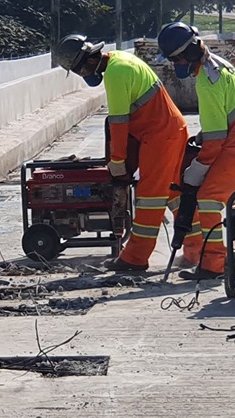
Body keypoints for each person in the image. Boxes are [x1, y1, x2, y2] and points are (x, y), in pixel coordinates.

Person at [53, 32, 188, 276]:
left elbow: (118, 123)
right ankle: (197, 248)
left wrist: (117, 162)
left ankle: (136, 258)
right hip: (167, 130)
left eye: (80, 70)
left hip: (159, 135)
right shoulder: (120, 60)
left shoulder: (115, 74)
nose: (82, 75)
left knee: (149, 196)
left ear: (90, 61)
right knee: (174, 193)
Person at [157, 23, 235, 278]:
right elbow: (225, 118)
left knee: (207, 199)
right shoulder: (220, 65)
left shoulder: (207, 82)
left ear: (187, 54)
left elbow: (216, 141)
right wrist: (202, 138)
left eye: (175, 59)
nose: (175, 64)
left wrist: (198, 168)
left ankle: (214, 265)